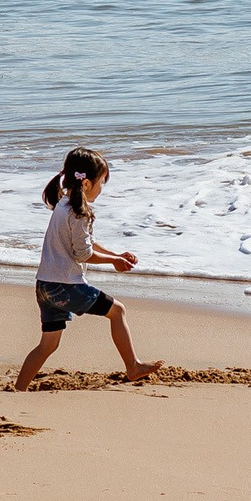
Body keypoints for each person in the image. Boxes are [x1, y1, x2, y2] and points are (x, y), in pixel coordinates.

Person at [14, 147, 160, 390]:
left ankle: (18, 389)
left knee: (48, 345)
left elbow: (87, 243)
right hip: (66, 286)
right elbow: (83, 253)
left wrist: (116, 255)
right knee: (117, 311)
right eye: (102, 182)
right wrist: (113, 262)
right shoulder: (78, 213)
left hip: (45, 286)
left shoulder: (63, 205)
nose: (102, 189)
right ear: (87, 183)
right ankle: (133, 366)